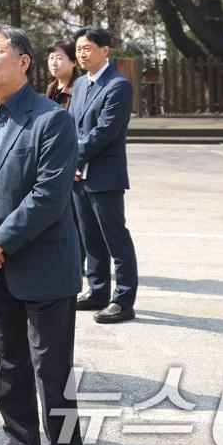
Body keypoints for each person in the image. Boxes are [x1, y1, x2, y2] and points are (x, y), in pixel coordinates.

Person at [0, 23, 84, 445]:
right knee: (9, 367)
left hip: (44, 266)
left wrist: (1, 240)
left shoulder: (52, 119)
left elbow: (49, 195)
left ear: (24, 62)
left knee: (53, 377)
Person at [72, 25, 139, 324]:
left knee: (115, 239)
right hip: (79, 175)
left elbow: (105, 132)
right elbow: (72, 125)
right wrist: (71, 162)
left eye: (87, 49)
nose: (82, 54)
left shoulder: (118, 85)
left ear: (105, 50)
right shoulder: (80, 84)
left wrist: (74, 158)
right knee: (90, 238)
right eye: (78, 50)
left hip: (104, 175)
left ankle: (123, 301)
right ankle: (98, 291)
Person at [45, 40, 79, 110]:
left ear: (74, 63)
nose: (53, 63)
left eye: (59, 58)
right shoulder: (51, 88)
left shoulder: (79, 89)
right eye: (51, 58)